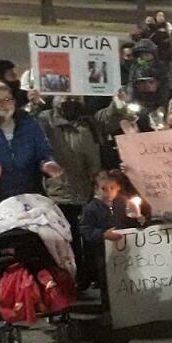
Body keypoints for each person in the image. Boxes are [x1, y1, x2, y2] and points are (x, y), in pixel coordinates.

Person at [0, 82, 62, 206]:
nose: (3, 104)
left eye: (7, 99)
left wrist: (46, 163)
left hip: (31, 197)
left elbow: (43, 151)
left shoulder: (29, 123)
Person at [37, 96, 102, 287]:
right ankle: (75, 276)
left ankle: (92, 274)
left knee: (90, 237)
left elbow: (112, 117)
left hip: (90, 190)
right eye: (65, 95)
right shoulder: (44, 119)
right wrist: (33, 104)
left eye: (75, 95)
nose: (70, 99)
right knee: (68, 238)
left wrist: (120, 102)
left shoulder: (90, 121)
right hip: (61, 190)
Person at [79, 170, 143, 307]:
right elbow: (85, 229)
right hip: (103, 254)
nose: (108, 192)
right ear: (96, 189)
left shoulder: (123, 203)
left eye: (112, 188)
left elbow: (130, 222)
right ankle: (109, 309)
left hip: (126, 251)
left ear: (118, 188)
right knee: (107, 281)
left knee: (127, 277)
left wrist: (139, 220)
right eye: (103, 188)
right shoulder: (91, 209)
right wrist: (102, 234)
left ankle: (130, 307)